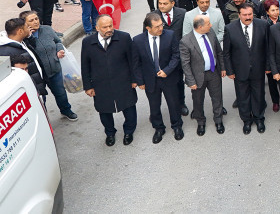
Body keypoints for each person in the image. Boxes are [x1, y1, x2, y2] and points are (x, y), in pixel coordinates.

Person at [81, 15, 139, 146]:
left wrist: (134, 79)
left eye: (110, 26)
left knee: (129, 107)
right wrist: (88, 86)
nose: (109, 29)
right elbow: (85, 66)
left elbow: (133, 60)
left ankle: (129, 131)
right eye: (105, 27)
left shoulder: (124, 38)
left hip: (123, 81)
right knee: (104, 110)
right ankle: (110, 133)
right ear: (97, 28)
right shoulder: (88, 42)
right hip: (100, 84)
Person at [131, 12, 184, 143]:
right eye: (157, 27)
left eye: (161, 25)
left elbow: (176, 55)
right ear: (148, 28)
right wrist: (140, 81)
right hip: (150, 80)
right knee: (154, 107)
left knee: (174, 104)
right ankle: (159, 128)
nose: (161, 28)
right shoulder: (137, 40)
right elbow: (136, 63)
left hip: (169, 78)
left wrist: (167, 70)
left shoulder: (170, 35)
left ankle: (177, 126)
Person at [20, 11, 78, 120]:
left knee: (60, 93)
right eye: (31, 20)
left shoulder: (47, 29)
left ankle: (66, 110)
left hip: (54, 70)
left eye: (36, 19)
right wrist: (28, 36)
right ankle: (44, 119)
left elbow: (57, 41)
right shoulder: (23, 38)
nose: (35, 22)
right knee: (42, 99)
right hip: (39, 75)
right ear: (24, 23)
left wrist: (59, 50)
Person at [223, 3, 269, 135]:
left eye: (250, 14)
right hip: (239, 71)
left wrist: (267, 66)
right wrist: (230, 71)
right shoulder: (230, 28)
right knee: (242, 97)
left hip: (258, 69)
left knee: (259, 95)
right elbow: (226, 52)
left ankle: (259, 118)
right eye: (245, 15)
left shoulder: (263, 25)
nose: (248, 17)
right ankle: (246, 121)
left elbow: (267, 48)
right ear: (239, 15)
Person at [180, 15, 226, 136]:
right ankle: (200, 122)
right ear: (200, 27)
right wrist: (190, 81)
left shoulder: (211, 34)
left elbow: (219, 52)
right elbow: (185, 63)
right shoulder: (186, 41)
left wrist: (222, 68)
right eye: (208, 24)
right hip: (197, 77)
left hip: (213, 72)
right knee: (198, 101)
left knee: (217, 98)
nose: (210, 25)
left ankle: (218, 120)